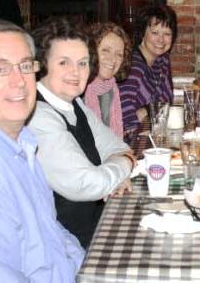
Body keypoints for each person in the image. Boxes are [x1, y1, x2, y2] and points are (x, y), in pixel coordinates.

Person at [0, 19, 84, 282]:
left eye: (24, 66)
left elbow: (53, 233)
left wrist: (90, 270)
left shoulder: (22, 144)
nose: (18, 81)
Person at [28, 17, 134, 248]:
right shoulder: (38, 115)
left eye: (83, 63)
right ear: (42, 64)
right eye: (64, 63)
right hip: (65, 248)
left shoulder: (74, 103)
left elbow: (117, 146)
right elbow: (87, 183)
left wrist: (117, 165)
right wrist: (124, 165)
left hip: (97, 228)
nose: (75, 72)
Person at [119, 4, 177, 141]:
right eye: (155, 32)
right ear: (142, 34)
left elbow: (166, 102)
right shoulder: (133, 66)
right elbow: (125, 119)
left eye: (167, 34)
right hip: (128, 140)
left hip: (150, 132)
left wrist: (146, 110)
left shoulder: (161, 61)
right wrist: (151, 109)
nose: (161, 40)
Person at [84, 22, 133, 138]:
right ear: (91, 51)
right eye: (106, 50)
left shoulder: (110, 87)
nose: (112, 59)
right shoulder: (78, 89)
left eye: (119, 54)